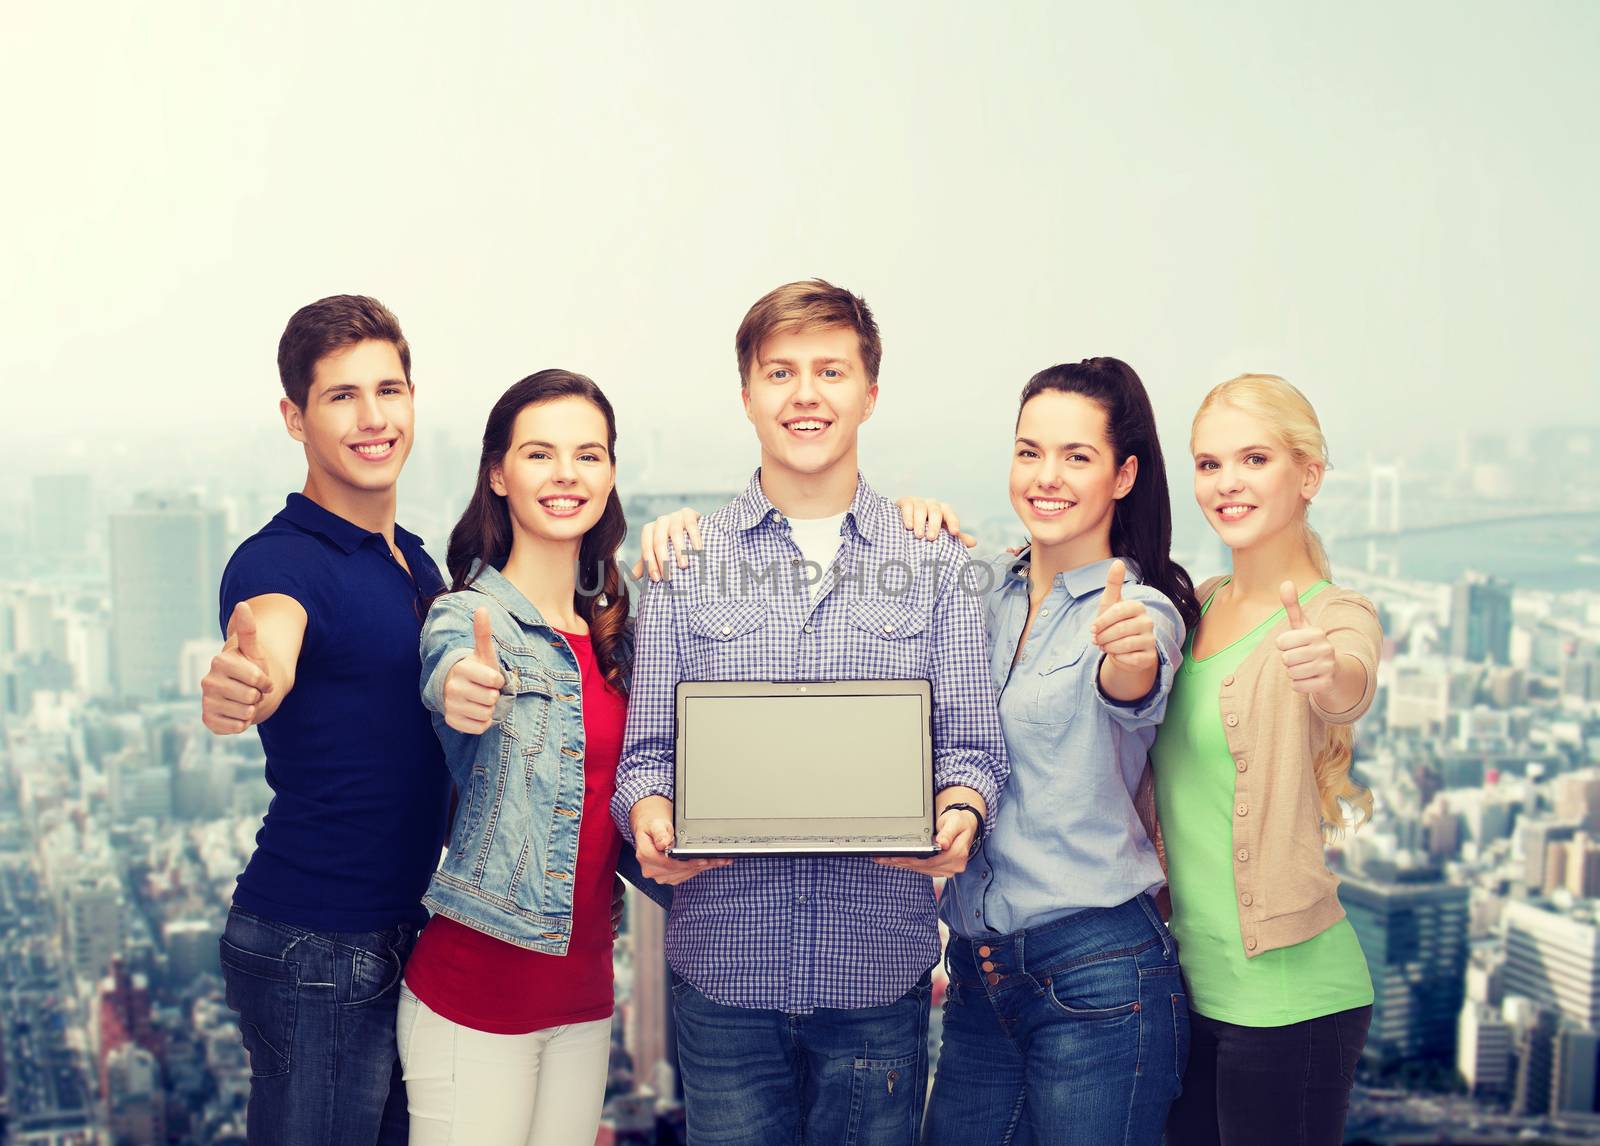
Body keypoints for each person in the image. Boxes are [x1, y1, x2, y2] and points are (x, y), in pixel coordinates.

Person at [613, 278, 1009, 1145]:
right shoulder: (687, 562)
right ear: (747, 395)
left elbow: (974, 747)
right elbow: (645, 756)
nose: (805, 394)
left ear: (869, 392)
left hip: (877, 976)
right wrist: (648, 816)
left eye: (830, 370)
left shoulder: (933, 563)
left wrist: (959, 810)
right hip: (723, 979)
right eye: (780, 371)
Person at [899, 358, 1198, 1144]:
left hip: (1101, 976)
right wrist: (904, 521)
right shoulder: (980, 591)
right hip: (976, 975)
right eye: (1029, 451)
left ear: (1124, 475)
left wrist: (1128, 654)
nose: (1046, 476)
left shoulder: (1140, 609)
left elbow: (1134, 677)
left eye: (1077, 456)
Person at [199, 295, 451, 1144]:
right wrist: (247, 682)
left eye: (390, 389)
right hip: (317, 944)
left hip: (391, 933)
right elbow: (267, 642)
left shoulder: (412, 559)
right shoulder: (280, 560)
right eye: (342, 396)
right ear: (294, 417)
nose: (374, 418)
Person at [398, 370, 664, 1145]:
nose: (565, 475)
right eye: (540, 454)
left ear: (611, 474)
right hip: (473, 996)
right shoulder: (471, 617)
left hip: (583, 1000)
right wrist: (462, 687)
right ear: (498, 472)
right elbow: (450, 666)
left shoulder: (619, 634)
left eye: (588, 455)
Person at [1157, 374, 1380, 1146]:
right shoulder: (1198, 603)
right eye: (1209, 463)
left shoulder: (1334, 615)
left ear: (1308, 475)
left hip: (1295, 999)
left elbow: (1348, 683)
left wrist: (1330, 673)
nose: (1226, 483)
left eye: (1254, 458)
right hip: (1191, 990)